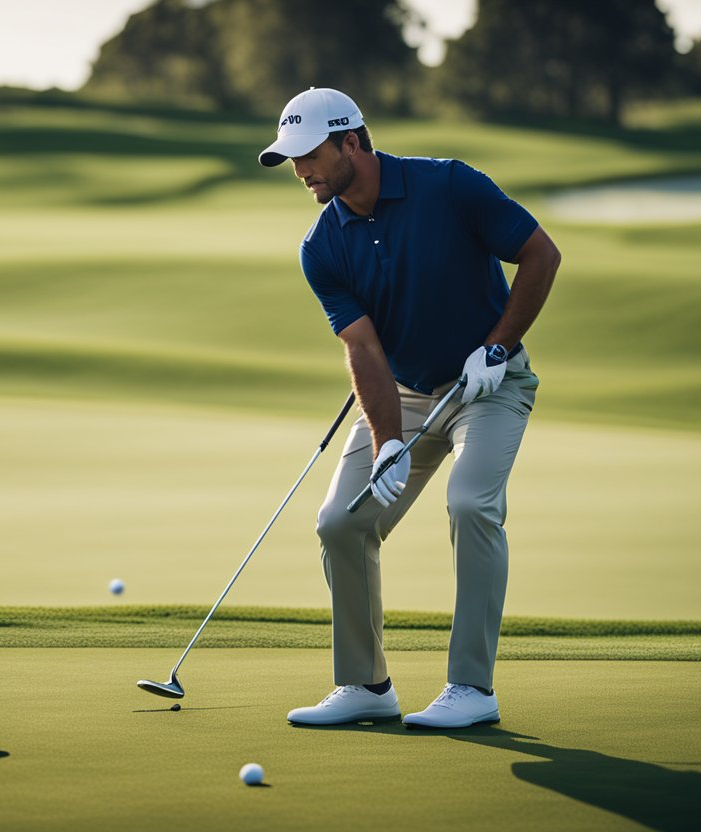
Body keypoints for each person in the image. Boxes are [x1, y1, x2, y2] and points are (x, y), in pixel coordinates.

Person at [258, 88, 561, 728]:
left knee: (471, 502)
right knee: (342, 521)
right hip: (404, 393)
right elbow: (363, 347)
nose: (301, 171)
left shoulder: (448, 186)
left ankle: (472, 690)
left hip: (492, 384)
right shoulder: (321, 247)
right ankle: (366, 687)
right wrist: (389, 440)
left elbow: (541, 255)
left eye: (309, 155)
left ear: (351, 142)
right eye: (291, 160)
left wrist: (498, 347)